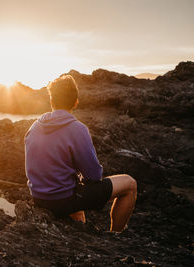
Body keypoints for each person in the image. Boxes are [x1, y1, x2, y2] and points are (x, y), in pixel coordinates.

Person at [24, 75, 136, 232]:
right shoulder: (78, 129)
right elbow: (94, 176)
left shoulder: (34, 127)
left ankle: (80, 230)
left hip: (39, 198)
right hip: (62, 200)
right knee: (129, 184)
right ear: (76, 102)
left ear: (51, 101)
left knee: (75, 191)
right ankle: (115, 234)